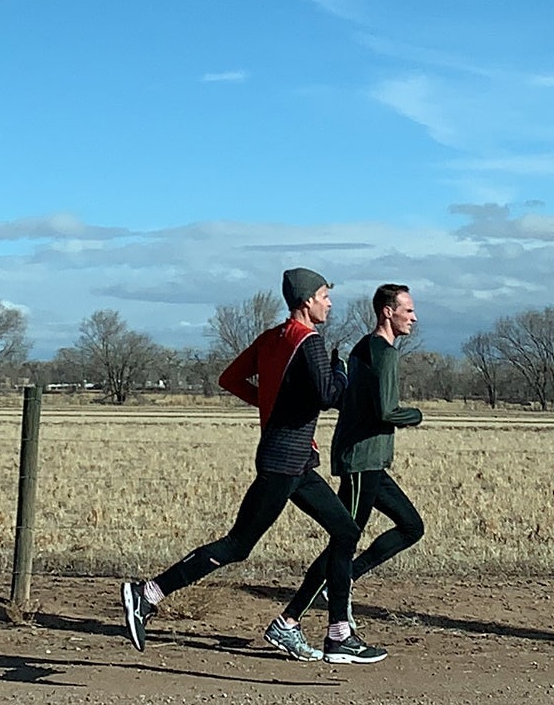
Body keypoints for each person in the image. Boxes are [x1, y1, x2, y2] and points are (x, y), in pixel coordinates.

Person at [119, 268, 387, 664]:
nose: (330, 303)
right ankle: (147, 594)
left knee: (345, 531)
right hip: (283, 464)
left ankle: (337, 634)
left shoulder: (272, 338)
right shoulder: (309, 341)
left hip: (295, 461)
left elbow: (231, 378)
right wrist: (342, 373)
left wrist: (271, 404)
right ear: (307, 300)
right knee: (238, 545)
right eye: (326, 296)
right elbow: (330, 395)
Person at [281, 283, 424, 638]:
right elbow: (387, 410)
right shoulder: (384, 353)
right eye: (408, 310)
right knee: (343, 540)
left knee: (411, 526)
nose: (414, 317)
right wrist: (416, 415)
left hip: (368, 460)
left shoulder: (363, 347)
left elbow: (348, 402)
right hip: (362, 461)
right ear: (387, 312)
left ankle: (346, 577)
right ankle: (290, 619)